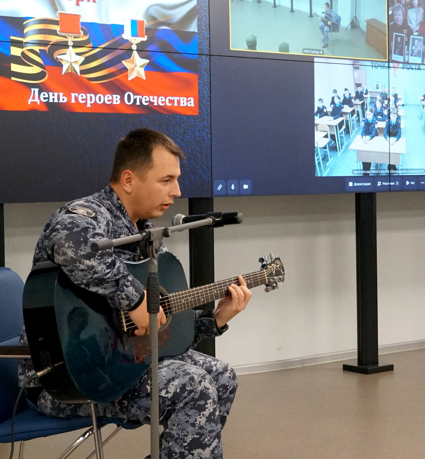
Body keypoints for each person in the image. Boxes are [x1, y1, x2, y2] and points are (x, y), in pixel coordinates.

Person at [18, 129, 251, 459]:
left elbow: (157, 333)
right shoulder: (86, 213)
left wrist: (214, 320)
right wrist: (135, 299)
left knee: (222, 376)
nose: (177, 191)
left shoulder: (145, 235)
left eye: (177, 180)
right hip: (66, 380)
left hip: (122, 362)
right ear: (128, 180)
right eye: (166, 180)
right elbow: (77, 249)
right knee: (193, 385)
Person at [360, 109, 377, 175]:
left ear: (372, 114)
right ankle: (365, 170)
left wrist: (368, 137)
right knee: (363, 154)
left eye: (369, 114)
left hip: (372, 140)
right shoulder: (364, 121)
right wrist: (363, 136)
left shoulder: (375, 121)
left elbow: (374, 133)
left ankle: (367, 171)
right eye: (367, 114)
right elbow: (363, 131)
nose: (368, 116)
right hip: (366, 140)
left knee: (368, 155)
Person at [385, 109, 401, 174]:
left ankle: (392, 165)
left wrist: (395, 139)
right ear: (390, 116)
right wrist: (388, 138)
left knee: (394, 152)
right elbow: (385, 133)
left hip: (395, 141)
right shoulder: (387, 122)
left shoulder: (398, 123)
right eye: (392, 116)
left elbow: (399, 134)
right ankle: (390, 165)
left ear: (396, 116)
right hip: (389, 140)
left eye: (394, 116)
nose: (393, 117)